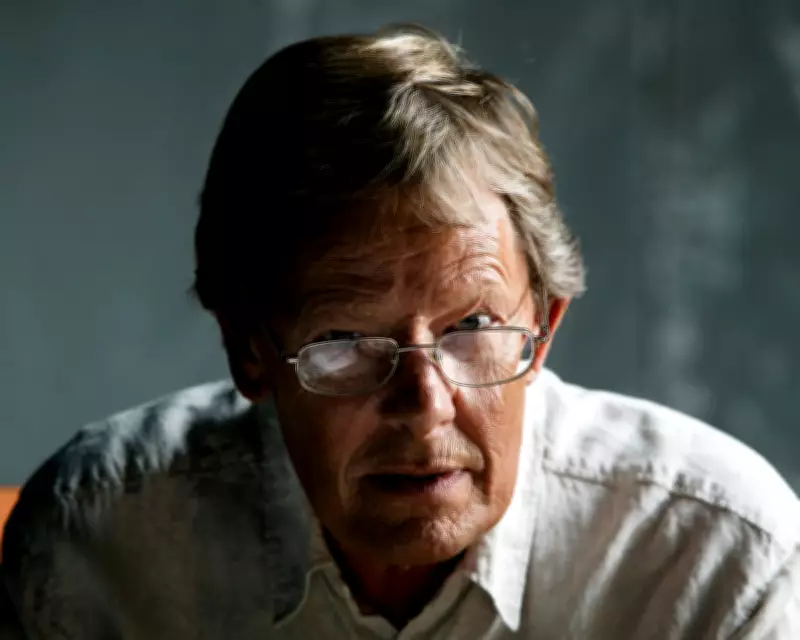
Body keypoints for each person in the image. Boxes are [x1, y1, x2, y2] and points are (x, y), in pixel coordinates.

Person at [2, 23, 799, 640]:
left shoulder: (718, 559)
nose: (424, 407)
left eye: (474, 326)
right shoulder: (99, 542)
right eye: (347, 340)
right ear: (249, 350)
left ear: (544, 328)